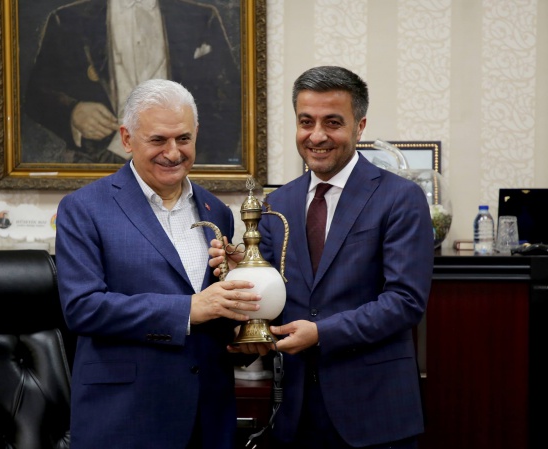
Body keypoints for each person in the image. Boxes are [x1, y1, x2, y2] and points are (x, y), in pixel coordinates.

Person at [209, 66, 435, 448]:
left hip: (375, 411)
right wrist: (242, 275)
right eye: (306, 122)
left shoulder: (400, 198)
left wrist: (321, 334)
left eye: (333, 122)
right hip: (295, 413)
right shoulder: (277, 203)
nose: (316, 135)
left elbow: (404, 302)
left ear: (359, 127)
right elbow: (272, 301)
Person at [55, 78, 260, 448]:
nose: (173, 152)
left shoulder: (217, 211)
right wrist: (187, 309)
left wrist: (242, 325)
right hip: (126, 418)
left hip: (209, 416)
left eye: (183, 138)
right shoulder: (84, 208)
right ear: (127, 138)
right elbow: (82, 308)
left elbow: (214, 313)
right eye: (158, 140)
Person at [24, 0, 241, 165]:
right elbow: (36, 94)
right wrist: (73, 112)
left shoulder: (201, 18)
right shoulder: (66, 19)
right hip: (97, 162)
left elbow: (229, 97)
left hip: (178, 163)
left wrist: (202, 162)